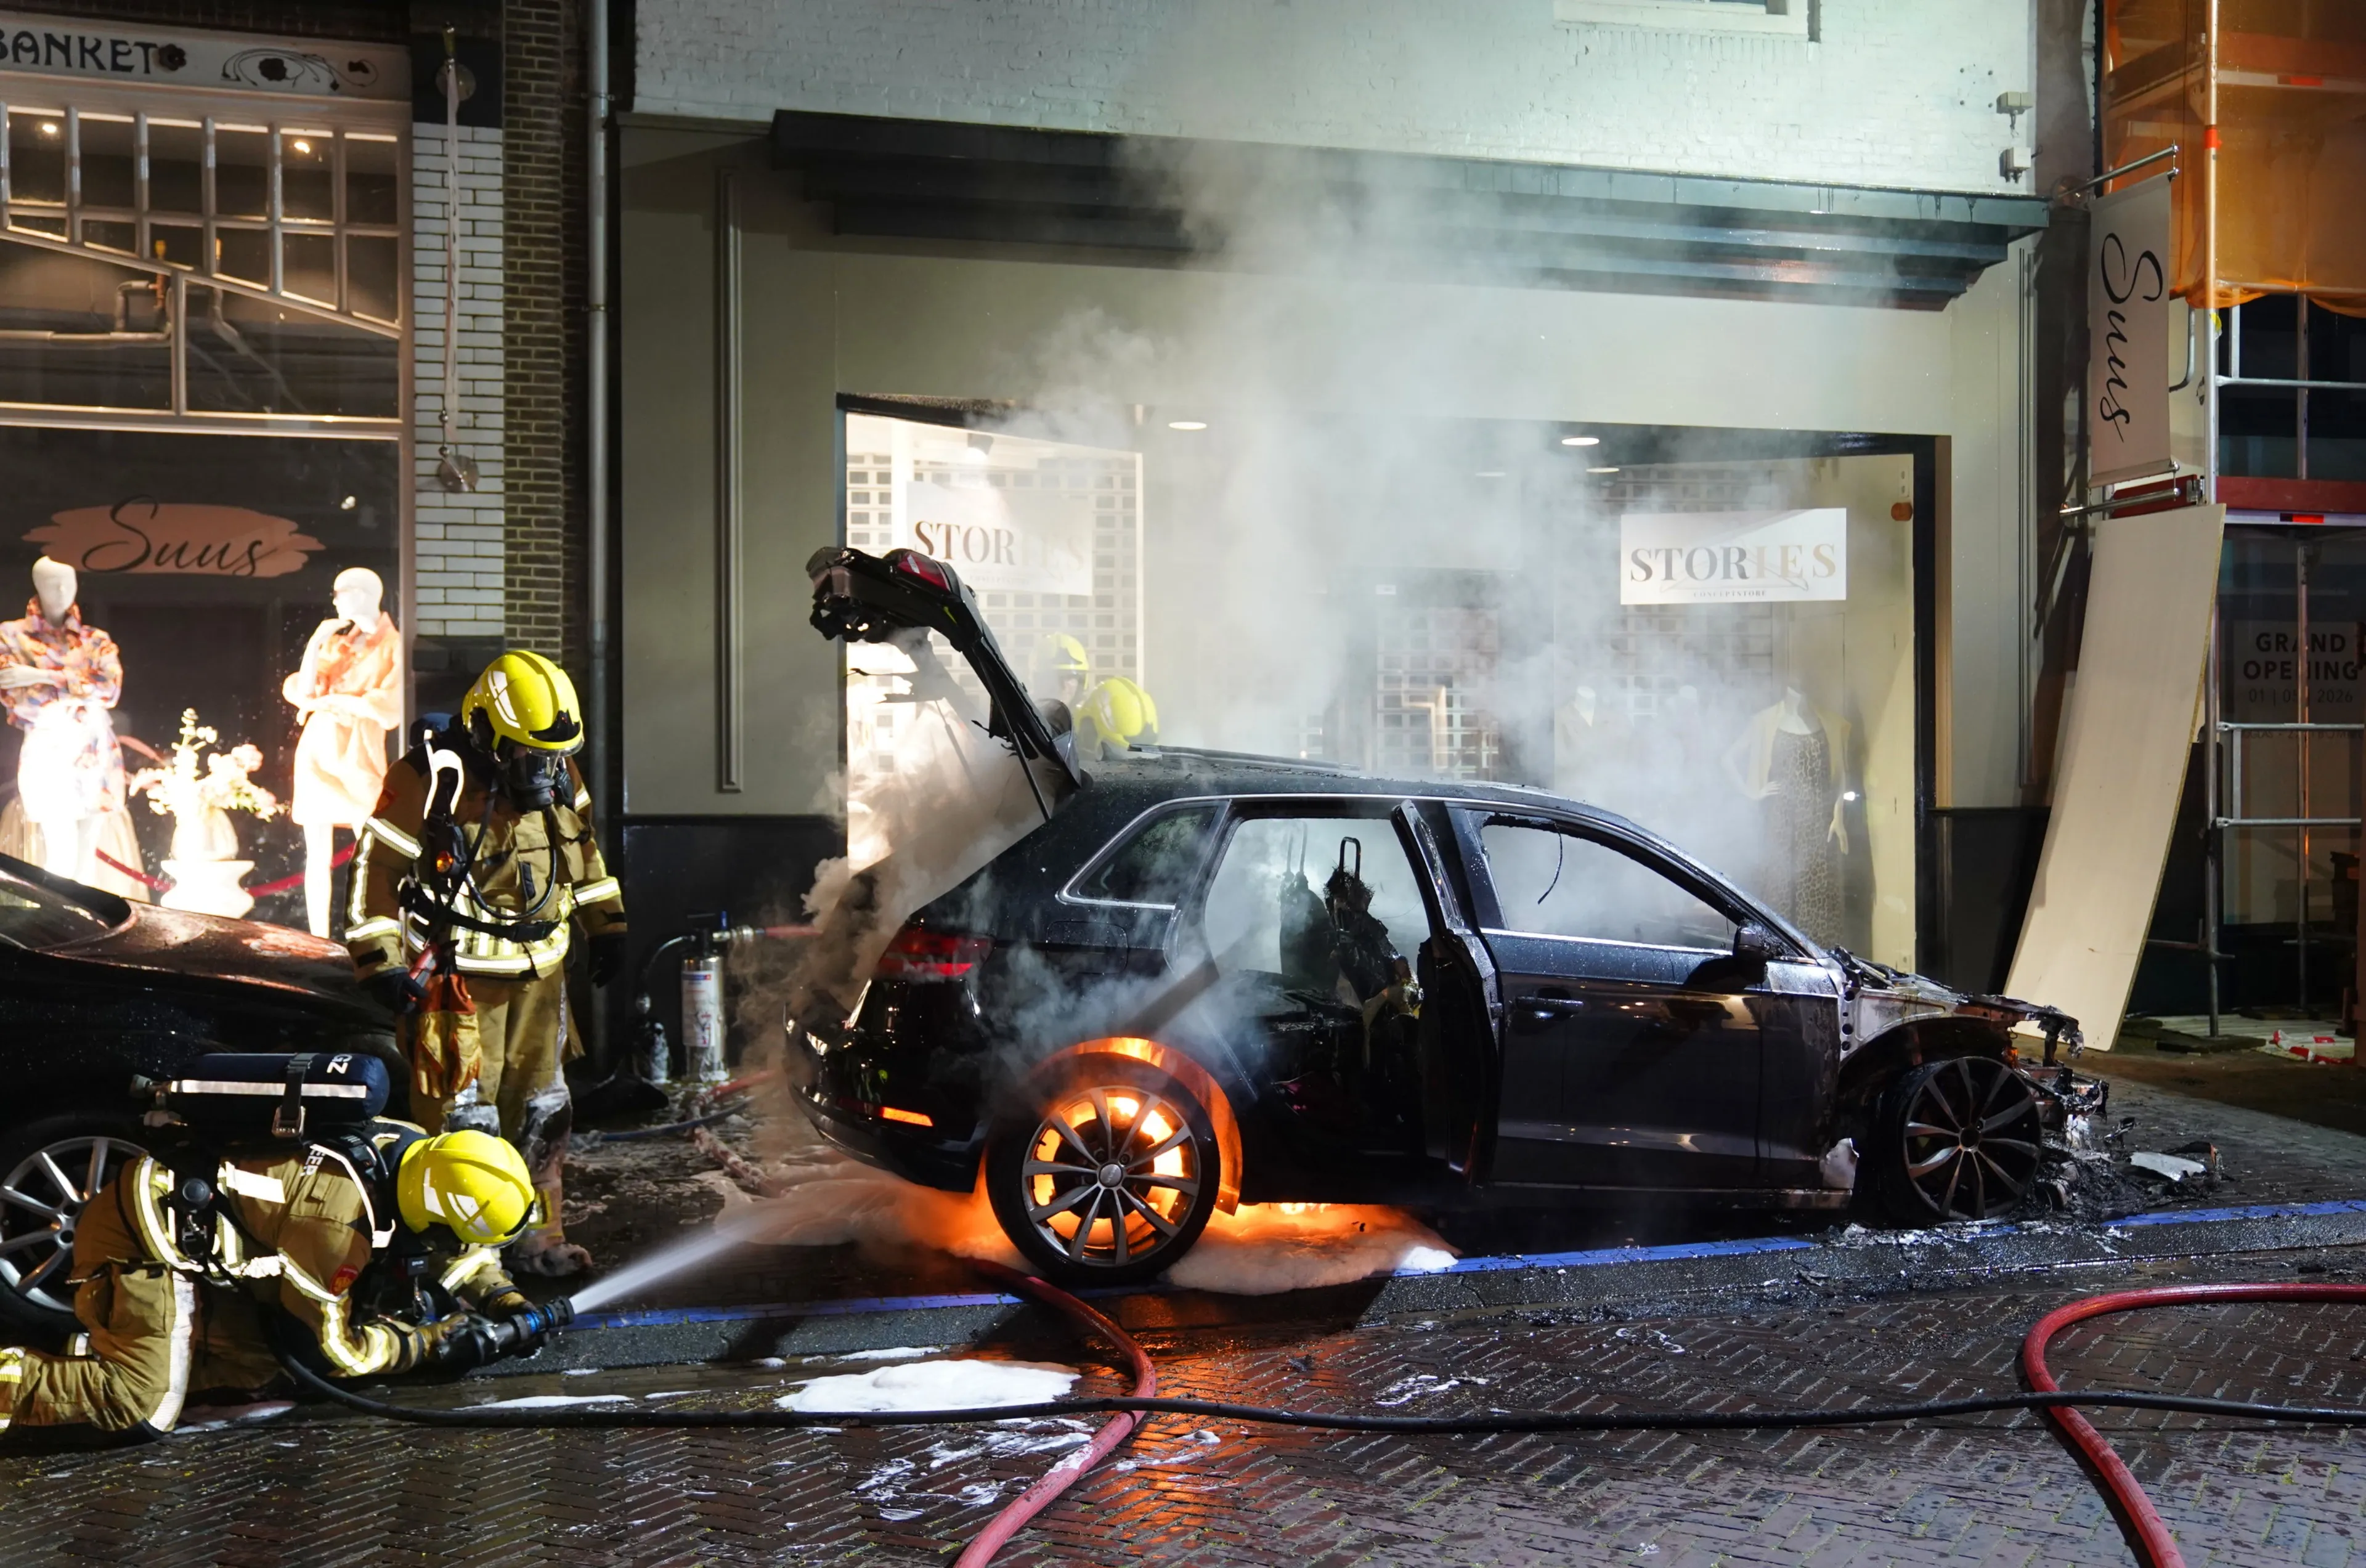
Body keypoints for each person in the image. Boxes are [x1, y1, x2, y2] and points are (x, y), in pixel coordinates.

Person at [345, 651, 626, 1277]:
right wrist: (378, 960)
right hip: (457, 986)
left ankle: (538, 1244)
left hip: (542, 978)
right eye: (528, 755)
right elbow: (376, 868)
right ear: (488, 735)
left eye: (552, 755)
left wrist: (607, 925)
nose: (545, 769)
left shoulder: (556, 763)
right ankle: (467, 1262)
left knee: (543, 1113)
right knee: (463, 1121)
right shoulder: (429, 776)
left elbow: (582, 851)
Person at [0, 1125, 547, 1437]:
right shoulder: (336, 1228)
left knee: (260, 1361)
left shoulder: (410, 1149)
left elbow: (451, 1246)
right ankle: (16, 1383)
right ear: (430, 1209)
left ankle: (108, 1349)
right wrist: (429, 1344)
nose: (458, 1250)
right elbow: (334, 1350)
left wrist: (502, 1296)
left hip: (185, 1231)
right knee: (143, 1407)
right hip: (140, 1240)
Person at [282, 567, 404, 938]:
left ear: (365, 594)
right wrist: (316, 642)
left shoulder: (393, 644)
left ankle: (376, 931)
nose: (335, 600)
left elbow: (388, 706)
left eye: (341, 592)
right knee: (315, 854)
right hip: (319, 747)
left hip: (358, 753)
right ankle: (318, 937)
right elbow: (303, 693)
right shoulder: (338, 643)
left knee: (371, 850)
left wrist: (332, 700)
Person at [0, 557, 124, 884]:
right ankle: (59, 928)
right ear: (37, 587)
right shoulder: (11, 635)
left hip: (95, 745)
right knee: (60, 849)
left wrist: (40, 674)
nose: (62, 591)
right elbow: (21, 700)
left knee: (87, 851)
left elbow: (110, 690)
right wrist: (80, 684)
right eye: (52, 584)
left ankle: (86, 924)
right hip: (49, 746)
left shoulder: (95, 638)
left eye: (68, 583)